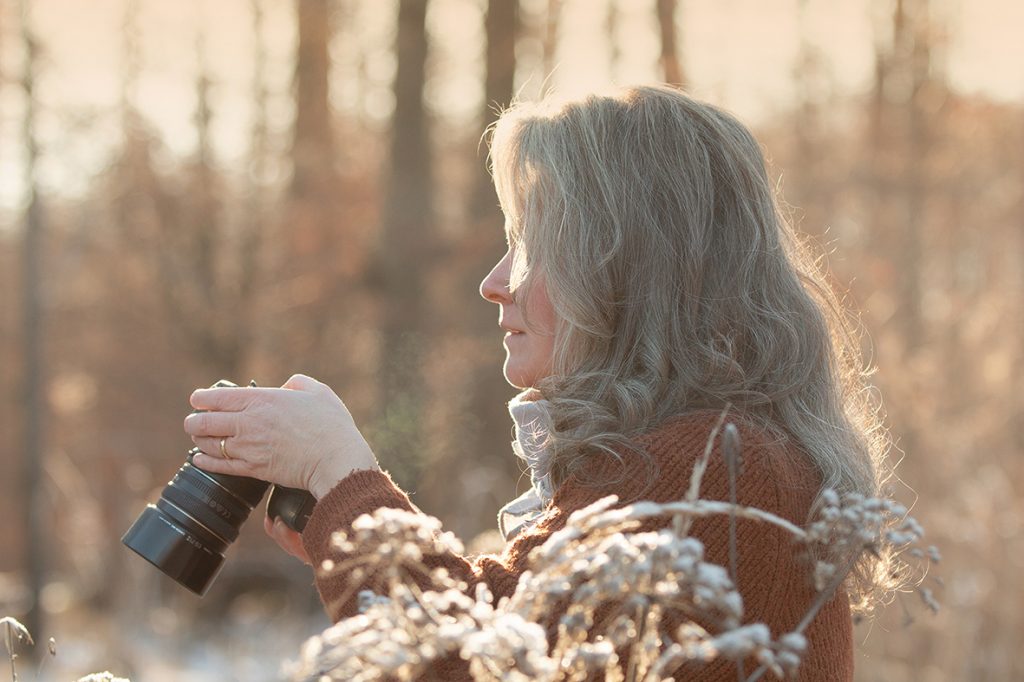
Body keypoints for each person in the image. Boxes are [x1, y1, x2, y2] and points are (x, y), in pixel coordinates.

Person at [183, 84, 888, 680]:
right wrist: (350, 531)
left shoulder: (716, 468)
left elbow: (475, 668)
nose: (494, 284)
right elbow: (517, 626)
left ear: (628, 273)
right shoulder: (707, 455)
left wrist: (340, 474)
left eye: (531, 247)